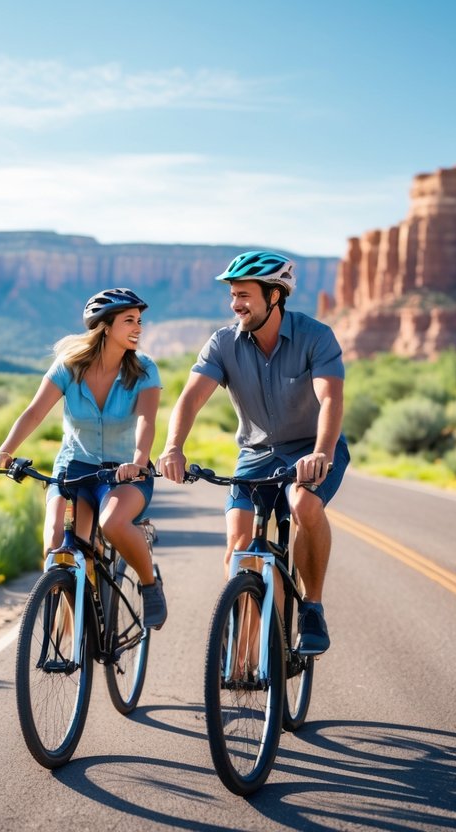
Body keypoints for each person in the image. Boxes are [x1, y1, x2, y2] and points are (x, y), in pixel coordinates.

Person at [157, 251, 347, 654]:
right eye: (232, 295)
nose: (235, 304)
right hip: (256, 454)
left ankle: (311, 606)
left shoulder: (316, 336)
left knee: (303, 506)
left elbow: (330, 398)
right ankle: (245, 648)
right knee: (239, 547)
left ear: (274, 296)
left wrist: (321, 453)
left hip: (311, 448)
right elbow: (190, 399)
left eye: (244, 294)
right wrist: (173, 446)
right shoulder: (223, 343)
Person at [0, 287, 167, 629]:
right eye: (129, 321)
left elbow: (146, 419)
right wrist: (6, 450)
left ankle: (149, 585)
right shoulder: (69, 367)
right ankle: (77, 609)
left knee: (111, 523)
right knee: (56, 542)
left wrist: (140, 460)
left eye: (140, 321)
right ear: (105, 326)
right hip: (75, 469)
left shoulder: (144, 369)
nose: (138, 328)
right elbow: (34, 413)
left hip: (124, 472)